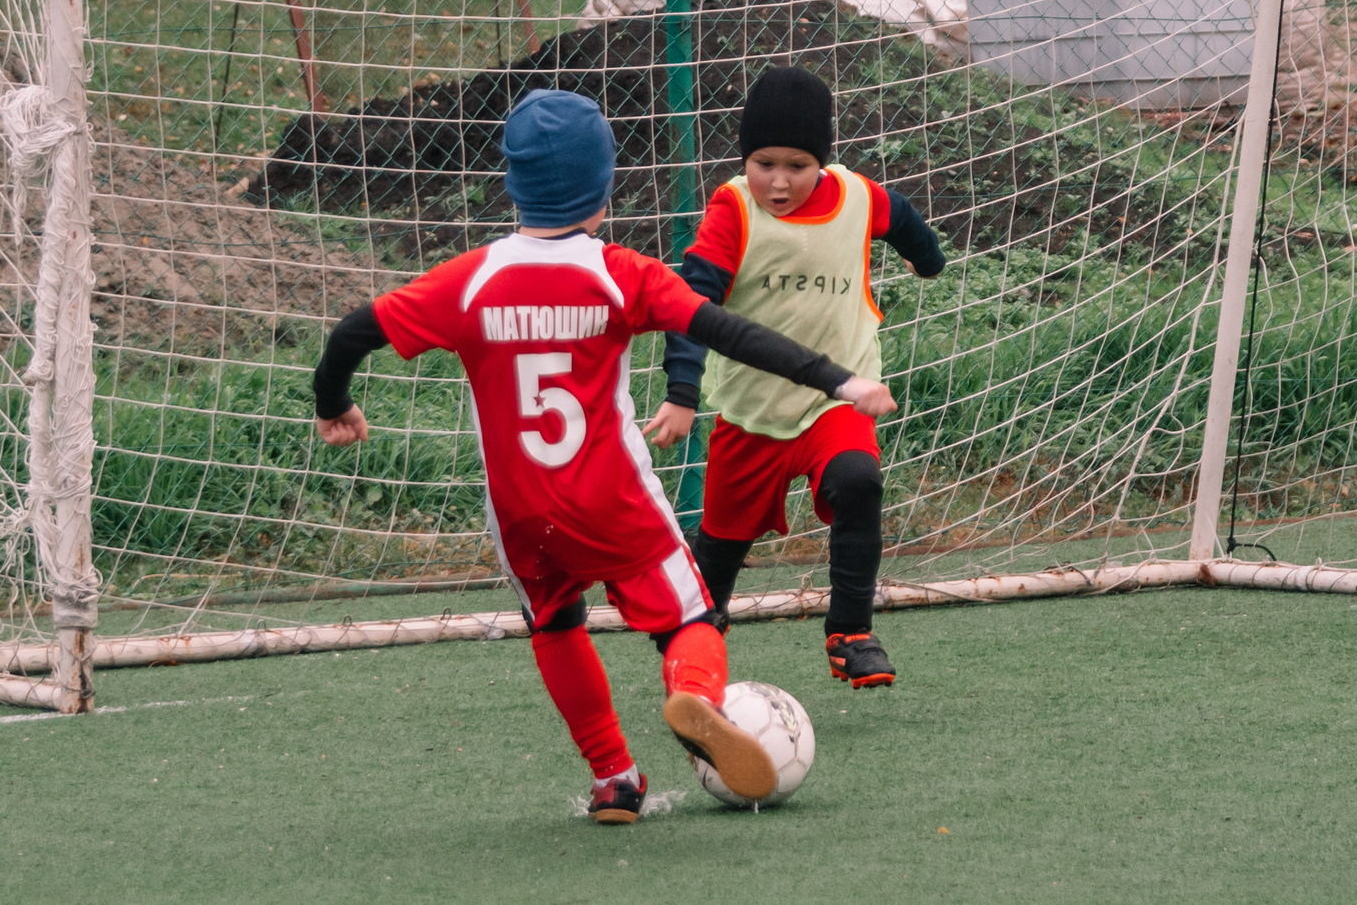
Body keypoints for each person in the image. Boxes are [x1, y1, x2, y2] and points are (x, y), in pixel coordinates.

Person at [309, 87, 898, 824]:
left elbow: (351, 334)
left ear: (512, 184)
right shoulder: (621, 272)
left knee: (555, 623)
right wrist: (839, 378)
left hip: (519, 509)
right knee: (694, 619)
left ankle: (614, 778)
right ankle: (693, 693)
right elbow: (731, 332)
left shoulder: (466, 282)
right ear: (604, 186)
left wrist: (333, 402)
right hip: (609, 497)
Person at [650, 65, 945, 690]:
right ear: (744, 158)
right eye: (763, 163)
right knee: (718, 556)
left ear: (822, 162)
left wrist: (927, 258)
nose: (778, 182)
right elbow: (689, 304)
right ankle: (698, 646)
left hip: (837, 402)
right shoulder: (733, 210)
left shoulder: (861, 197)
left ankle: (851, 634)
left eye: (797, 165)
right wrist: (681, 394)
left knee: (859, 482)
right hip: (751, 413)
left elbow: (906, 219)